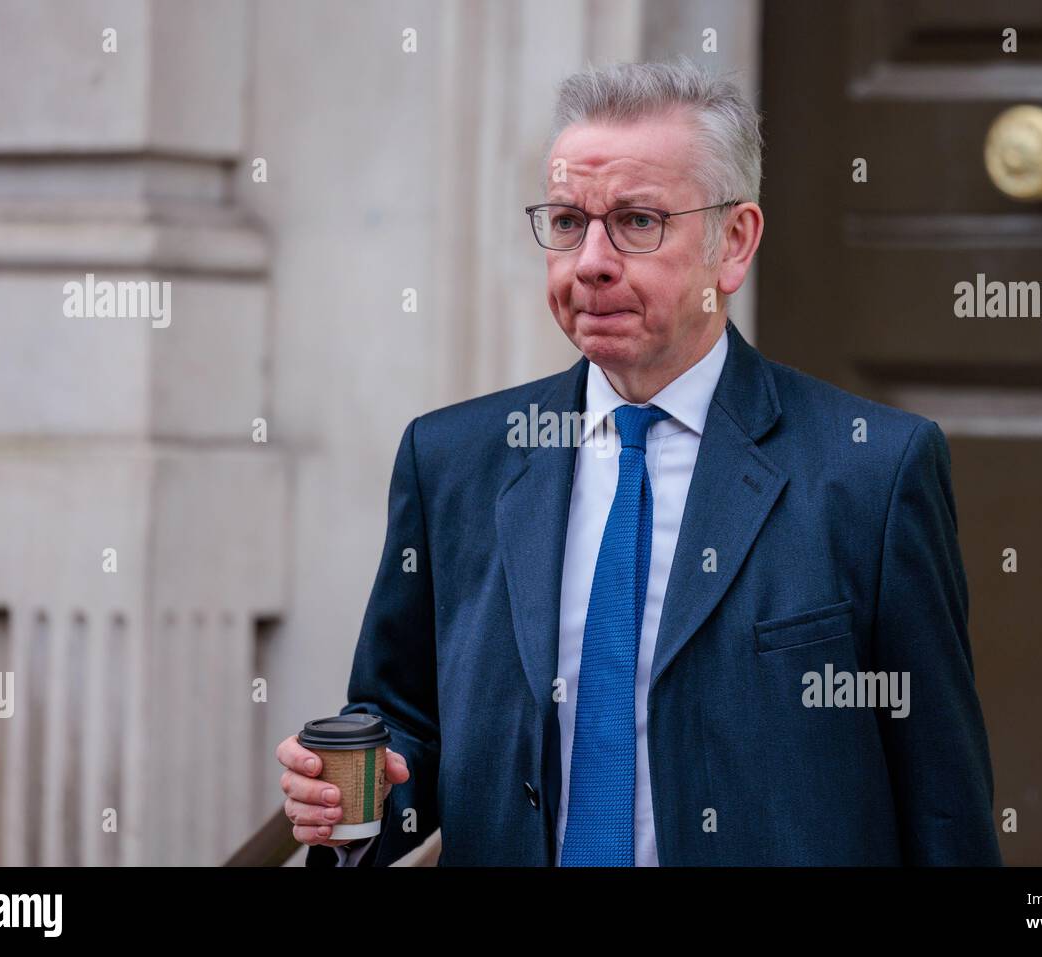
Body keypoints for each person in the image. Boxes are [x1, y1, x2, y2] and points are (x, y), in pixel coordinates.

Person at [277, 58, 1001, 866]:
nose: (590, 260)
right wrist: (355, 797)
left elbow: (945, 805)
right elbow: (406, 723)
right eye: (565, 221)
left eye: (637, 222)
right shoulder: (452, 460)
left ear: (734, 243)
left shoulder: (873, 470)